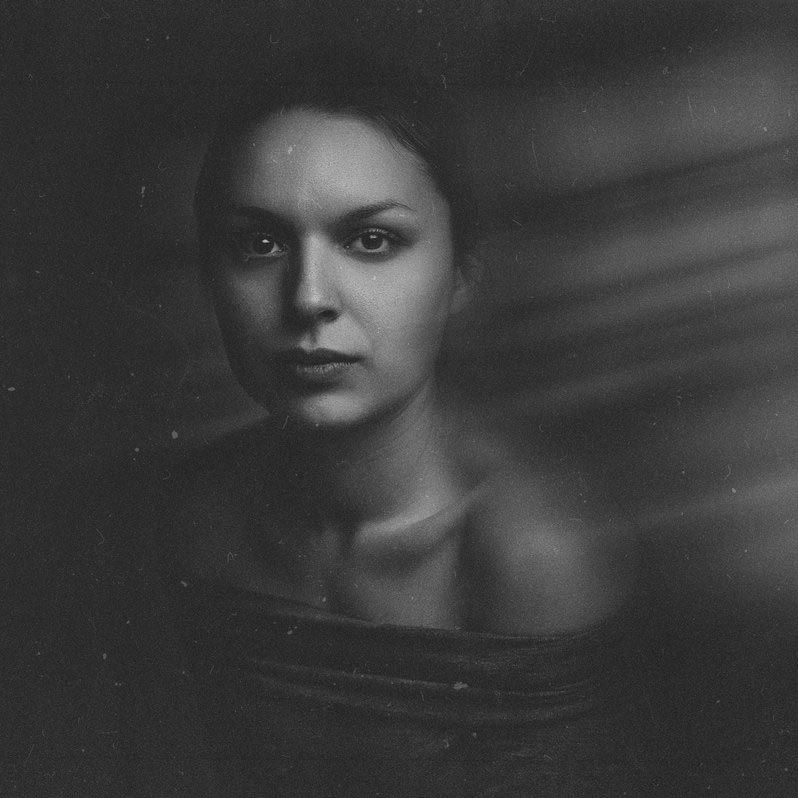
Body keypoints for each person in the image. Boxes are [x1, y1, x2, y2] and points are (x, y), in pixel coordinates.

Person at [126, 49, 665, 796]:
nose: (308, 297)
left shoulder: (530, 560)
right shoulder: (176, 519)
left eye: (371, 240)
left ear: (461, 273)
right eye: (259, 243)